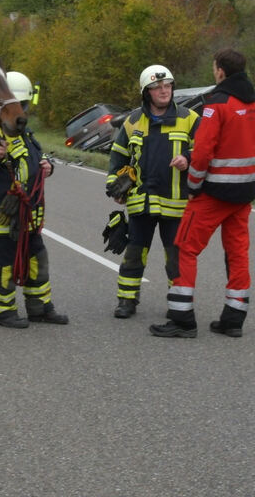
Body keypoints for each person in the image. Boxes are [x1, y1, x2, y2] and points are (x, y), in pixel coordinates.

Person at [151, 48, 255, 339]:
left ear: (220, 71)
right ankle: (233, 318)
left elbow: (203, 152)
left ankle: (182, 319)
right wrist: (252, 177)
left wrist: (193, 184)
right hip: (243, 196)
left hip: (213, 194)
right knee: (237, 252)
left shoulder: (215, 105)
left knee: (183, 248)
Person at [0, 71, 68, 328]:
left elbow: (35, 161)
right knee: (5, 262)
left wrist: (47, 166)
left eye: (24, 106)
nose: (21, 111)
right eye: (18, 105)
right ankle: (2, 312)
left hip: (28, 216)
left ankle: (39, 308)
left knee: (37, 258)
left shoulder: (26, 133)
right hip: (2, 216)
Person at [106, 64, 199, 319]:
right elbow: (118, 158)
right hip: (141, 203)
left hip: (176, 204)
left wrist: (188, 158)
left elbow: (206, 150)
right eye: (157, 87)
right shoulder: (133, 121)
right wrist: (114, 186)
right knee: (134, 254)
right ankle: (126, 301)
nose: (163, 91)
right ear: (146, 92)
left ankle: (179, 306)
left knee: (176, 258)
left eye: (167, 85)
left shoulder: (190, 119)